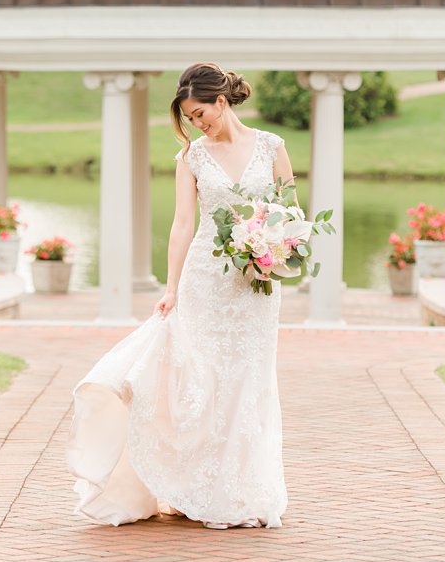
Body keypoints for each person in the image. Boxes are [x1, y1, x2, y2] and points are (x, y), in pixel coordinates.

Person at [68, 63, 295, 530]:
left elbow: (290, 211)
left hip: (255, 284)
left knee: (248, 382)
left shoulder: (272, 147)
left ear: (222, 101)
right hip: (205, 281)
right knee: (202, 382)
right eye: (190, 118)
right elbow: (183, 225)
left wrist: (277, 248)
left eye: (200, 113)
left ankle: (244, 491)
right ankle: (194, 487)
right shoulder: (192, 158)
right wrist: (171, 288)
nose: (198, 123)